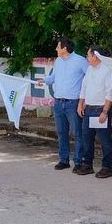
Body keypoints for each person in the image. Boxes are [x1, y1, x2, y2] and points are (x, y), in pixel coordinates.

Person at [36, 37, 89, 172]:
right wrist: (44, 80)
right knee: (61, 133)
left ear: (64, 48)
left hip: (73, 102)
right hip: (58, 102)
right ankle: (63, 160)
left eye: (58, 46)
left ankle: (78, 161)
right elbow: (53, 78)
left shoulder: (80, 61)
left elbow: (89, 77)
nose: (56, 49)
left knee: (77, 133)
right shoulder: (58, 61)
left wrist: (83, 100)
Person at [76, 46, 112, 178]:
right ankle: (87, 164)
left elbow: (110, 93)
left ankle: (107, 167)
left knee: (105, 140)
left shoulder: (107, 70)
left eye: (88, 55)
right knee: (87, 138)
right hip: (89, 109)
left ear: (95, 56)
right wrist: (80, 104)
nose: (87, 57)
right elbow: (84, 87)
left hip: (101, 110)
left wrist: (105, 111)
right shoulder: (89, 70)